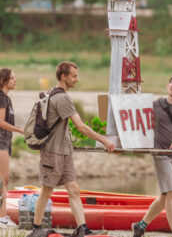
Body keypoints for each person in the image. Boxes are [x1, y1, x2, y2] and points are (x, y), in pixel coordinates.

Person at [27, 61, 115, 237]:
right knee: (46, 190)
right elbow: (81, 126)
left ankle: (83, 228)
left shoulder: (55, 93)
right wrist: (104, 140)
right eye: (74, 76)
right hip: (52, 151)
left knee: (73, 188)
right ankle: (36, 229)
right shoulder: (62, 98)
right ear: (63, 77)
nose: (77, 79)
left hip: (64, 151)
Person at [132, 74, 172, 237]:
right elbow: (137, 121)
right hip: (160, 154)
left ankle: (140, 225)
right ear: (168, 86)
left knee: (164, 196)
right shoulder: (155, 105)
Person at [0, 68, 24, 228]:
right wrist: (20, 130)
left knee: (1, 179)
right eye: (12, 78)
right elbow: (0, 122)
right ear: (4, 80)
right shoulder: (1, 98)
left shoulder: (5, 98)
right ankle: (2, 217)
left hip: (4, 139)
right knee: (3, 178)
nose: (15, 80)